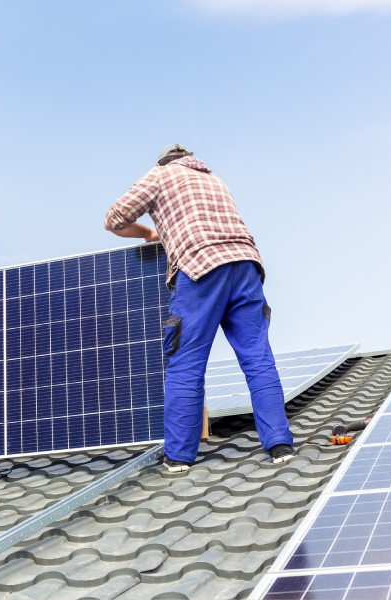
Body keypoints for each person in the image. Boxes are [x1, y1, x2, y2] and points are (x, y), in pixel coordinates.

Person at [103, 144, 295, 473]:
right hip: (246, 265)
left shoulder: (159, 175)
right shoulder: (215, 179)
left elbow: (114, 219)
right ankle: (279, 444)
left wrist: (149, 232)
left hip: (199, 268)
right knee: (257, 357)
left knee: (186, 362)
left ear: (162, 162)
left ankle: (178, 456)